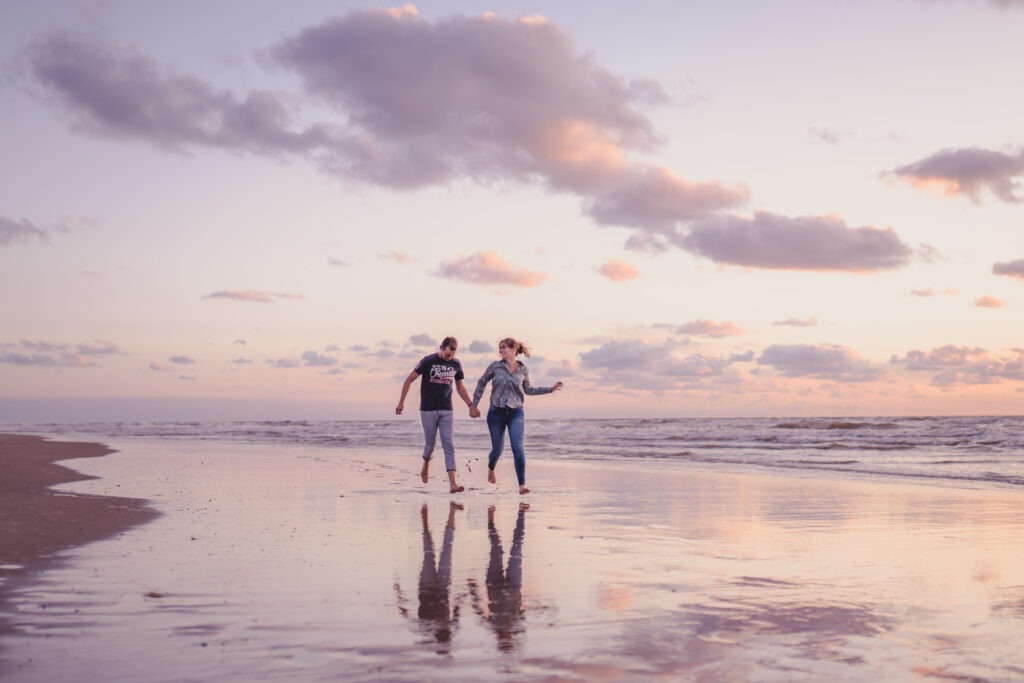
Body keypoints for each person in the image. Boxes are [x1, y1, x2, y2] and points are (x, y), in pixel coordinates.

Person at [469, 337, 563, 495]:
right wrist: (474, 404)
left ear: (514, 349)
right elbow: (481, 382)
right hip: (496, 413)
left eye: (504, 347)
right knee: (497, 451)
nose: (501, 351)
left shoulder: (524, 370)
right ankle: (491, 468)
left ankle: (522, 485)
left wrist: (550, 389)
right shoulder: (495, 367)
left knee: (517, 447)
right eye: (500, 348)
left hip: (516, 413)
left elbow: (528, 390)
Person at [396, 336, 474, 493]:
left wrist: (471, 405)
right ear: (441, 347)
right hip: (428, 410)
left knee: (448, 444)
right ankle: (426, 464)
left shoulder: (456, 364)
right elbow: (408, 380)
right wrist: (401, 402)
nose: (449, 357)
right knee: (430, 446)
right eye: (447, 354)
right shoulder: (427, 361)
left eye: (452, 355)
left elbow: (459, 387)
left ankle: (453, 484)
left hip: (447, 409)